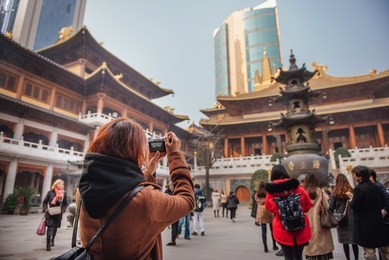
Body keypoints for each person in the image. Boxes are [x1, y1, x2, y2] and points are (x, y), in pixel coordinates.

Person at [77, 117, 195, 259]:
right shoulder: (146, 201)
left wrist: (147, 174)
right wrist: (175, 156)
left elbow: (120, 192)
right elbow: (187, 200)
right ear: (133, 150)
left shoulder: (82, 190)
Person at [265, 164, 312, 260]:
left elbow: (269, 207)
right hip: (300, 226)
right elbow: (308, 205)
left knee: (288, 257)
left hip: (282, 228)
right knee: (299, 257)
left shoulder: (271, 191)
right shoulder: (297, 187)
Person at [350, 165, 389, 259]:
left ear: (360, 176)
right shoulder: (376, 187)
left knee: (369, 251)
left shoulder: (359, 189)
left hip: (365, 224)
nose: (354, 177)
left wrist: (351, 200)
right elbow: (383, 202)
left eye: (355, 175)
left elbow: (355, 206)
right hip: (378, 221)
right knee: (385, 249)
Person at [302, 173, 334, 260]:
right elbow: (327, 206)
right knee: (322, 249)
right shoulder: (320, 192)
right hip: (320, 224)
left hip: (308, 224)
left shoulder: (303, 193)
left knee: (311, 248)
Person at [329, 173, 358, 260]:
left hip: (341, 219)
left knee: (345, 242)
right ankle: (356, 258)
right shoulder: (351, 191)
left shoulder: (335, 192)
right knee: (354, 242)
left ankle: (348, 258)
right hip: (352, 218)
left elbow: (331, 207)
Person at [42, 179, 68, 251]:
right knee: (50, 228)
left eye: (62, 184)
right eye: (60, 184)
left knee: (55, 228)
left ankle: (52, 240)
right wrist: (45, 208)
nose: (62, 185)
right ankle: (48, 244)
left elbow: (65, 203)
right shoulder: (50, 192)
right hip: (50, 212)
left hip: (58, 213)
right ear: (56, 185)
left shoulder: (64, 193)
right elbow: (44, 202)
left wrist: (63, 210)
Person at [256, 181, 278, 253]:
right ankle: (274, 245)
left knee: (263, 231)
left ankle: (265, 247)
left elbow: (257, 201)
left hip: (261, 213)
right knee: (272, 230)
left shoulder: (257, 194)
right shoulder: (268, 193)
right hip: (269, 211)